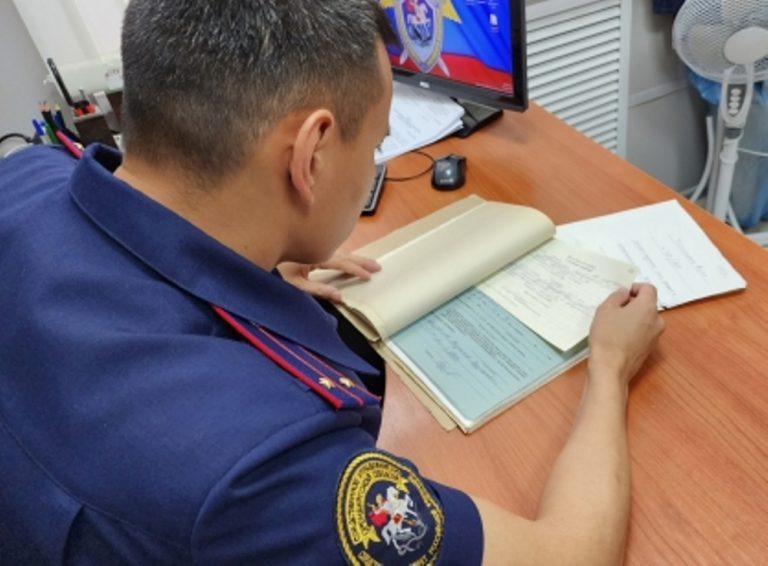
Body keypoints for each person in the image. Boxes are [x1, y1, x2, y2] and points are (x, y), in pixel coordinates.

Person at [0, 0, 664, 563]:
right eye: (374, 145)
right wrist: (608, 366)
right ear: (311, 155)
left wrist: (258, 267)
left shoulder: (25, 178)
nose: (372, 159)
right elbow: (568, 555)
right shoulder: (262, 470)